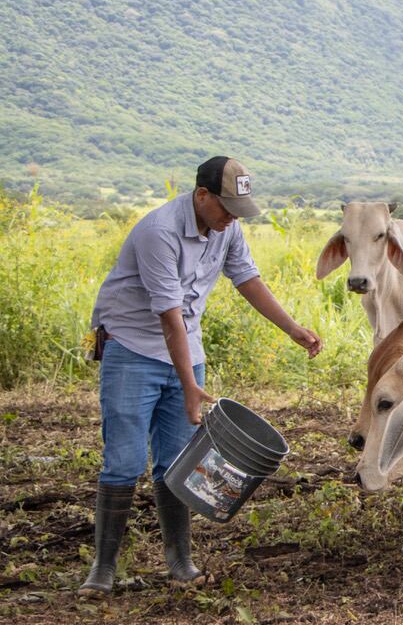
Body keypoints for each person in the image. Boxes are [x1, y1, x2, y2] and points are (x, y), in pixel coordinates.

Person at [79, 156, 323, 597]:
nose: (231, 218)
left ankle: (180, 562)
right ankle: (102, 569)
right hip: (133, 350)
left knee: (175, 463)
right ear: (202, 195)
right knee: (125, 460)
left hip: (185, 351)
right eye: (225, 207)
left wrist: (293, 329)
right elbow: (169, 317)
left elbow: (247, 278)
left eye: (237, 210)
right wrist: (190, 387)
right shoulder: (160, 232)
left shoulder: (226, 227)